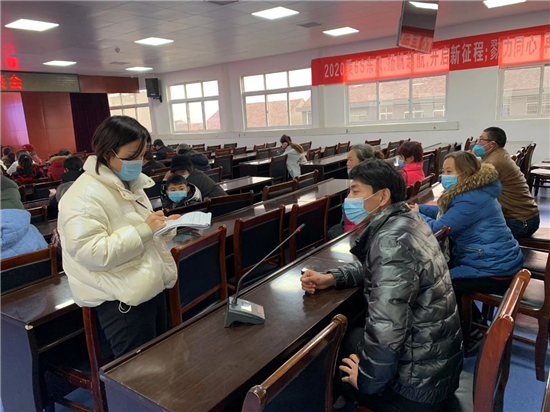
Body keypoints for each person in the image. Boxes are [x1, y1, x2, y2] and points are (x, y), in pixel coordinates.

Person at [301, 160, 463, 412]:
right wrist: (333, 277)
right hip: (436, 367)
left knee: (331, 354)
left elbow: (388, 327)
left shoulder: (391, 240)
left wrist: (366, 380)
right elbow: (385, 268)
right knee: (354, 333)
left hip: (415, 390)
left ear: (383, 196)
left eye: (355, 191)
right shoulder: (408, 221)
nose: (349, 198)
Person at [58, 116, 180, 359]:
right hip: (120, 298)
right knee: (139, 371)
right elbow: (92, 253)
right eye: (132, 156)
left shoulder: (128, 183)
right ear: (107, 153)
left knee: (162, 361)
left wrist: (163, 227)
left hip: (146, 285)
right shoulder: (83, 196)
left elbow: (141, 232)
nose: (139, 162)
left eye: (143, 155)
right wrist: (145, 230)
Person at [413, 151, 524, 311]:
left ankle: (464, 322)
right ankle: (471, 317)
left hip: (492, 269)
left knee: (438, 284)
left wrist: (415, 215)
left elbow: (439, 229)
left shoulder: (471, 198)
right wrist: (420, 208)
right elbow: (450, 213)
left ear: (466, 173)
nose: (444, 176)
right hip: (497, 260)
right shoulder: (477, 190)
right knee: (441, 270)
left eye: (449, 171)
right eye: (443, 171)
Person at [473, 127, 540, 238]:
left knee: (467, 232)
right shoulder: (498, 154)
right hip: (525, 218)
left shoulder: (494, 162)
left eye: (481, 140)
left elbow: (472, 187)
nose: (477, 143)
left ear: (492, 144)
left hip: (519, 222)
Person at [328, 144, 385, 240]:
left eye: (350, 160)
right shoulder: (373, 176)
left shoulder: (367, 183)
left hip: (357, 230)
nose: (347, 163)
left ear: (363, 161)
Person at [162, 154, 227, 201]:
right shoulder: (196, 172)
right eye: (176, 173)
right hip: (223, 202)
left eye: (182, 172)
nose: (179, 175)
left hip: (218, 207)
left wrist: (165, 180)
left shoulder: (190, 183)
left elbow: (166, 199)